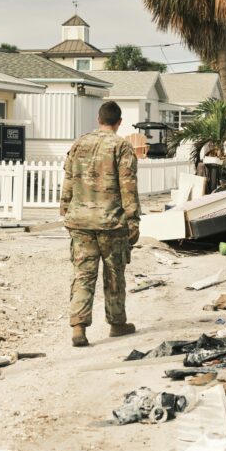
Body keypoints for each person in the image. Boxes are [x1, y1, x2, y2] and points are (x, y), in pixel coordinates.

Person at [60, 101, 141, 347]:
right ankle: (117, 324)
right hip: (111, 223)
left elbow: (69, 179)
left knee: (82, 274)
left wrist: (65, 208)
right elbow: (129, 186)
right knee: (114, 274)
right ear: (119, 122)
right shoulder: (121, 146)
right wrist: (133, 220)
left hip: (80, 221)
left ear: (98, 119)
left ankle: (78, 327)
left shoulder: (79, 143)